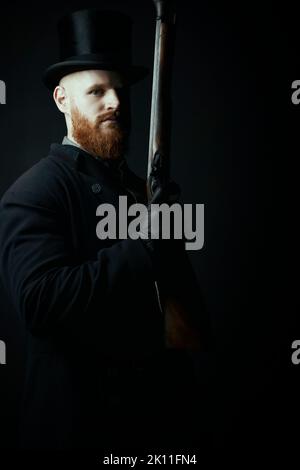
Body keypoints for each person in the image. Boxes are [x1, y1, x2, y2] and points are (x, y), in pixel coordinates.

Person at [0, 9, 209, 450]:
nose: (115, 101)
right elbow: (40, 302)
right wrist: (148, 242)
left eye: (119, 89)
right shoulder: (34, 191)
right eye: (96, 91)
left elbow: (175, 320)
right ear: (62, 100)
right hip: (76, 436)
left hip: (155, 433)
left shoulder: (140, 189)